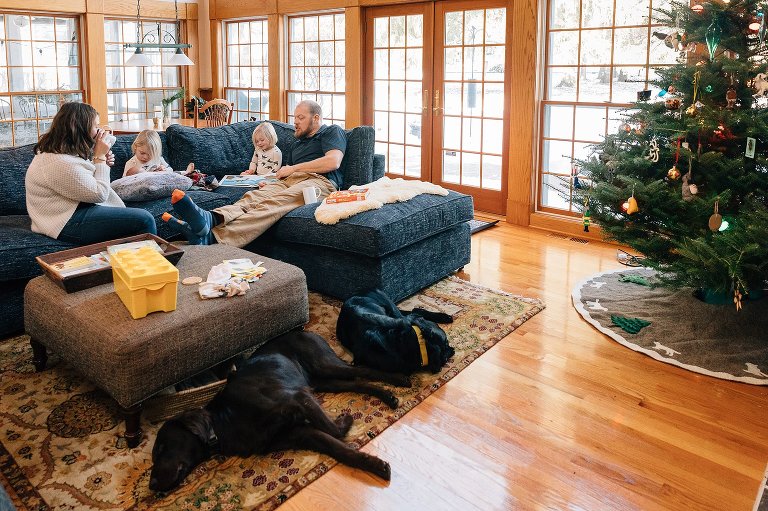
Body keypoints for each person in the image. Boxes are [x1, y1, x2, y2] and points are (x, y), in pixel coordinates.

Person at [163, 100, 346, 247]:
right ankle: (212, 218)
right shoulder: (297, 144)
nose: (295, 122)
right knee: (253, 197)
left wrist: (293, 169)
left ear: (316, 118)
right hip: (289, 180)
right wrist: (271, 181)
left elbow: (333, 161)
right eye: (294, 117)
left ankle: (214, 237)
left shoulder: (331, 131)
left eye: (300, 117)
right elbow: (285, 171)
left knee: (273, 203)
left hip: (319, 182)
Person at [25, 102, 157, 245]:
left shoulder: (59, 152)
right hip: (64, 222)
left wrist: (101, 163)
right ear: (80, 128)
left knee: (135, 219)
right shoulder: (59, 163)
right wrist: (99, 158)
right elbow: (99, 194)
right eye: (95, 126)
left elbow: (82, 181)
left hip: (74, 208)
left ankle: (129, 256)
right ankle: (150, 259)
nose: (99, 131)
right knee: (144, 219)